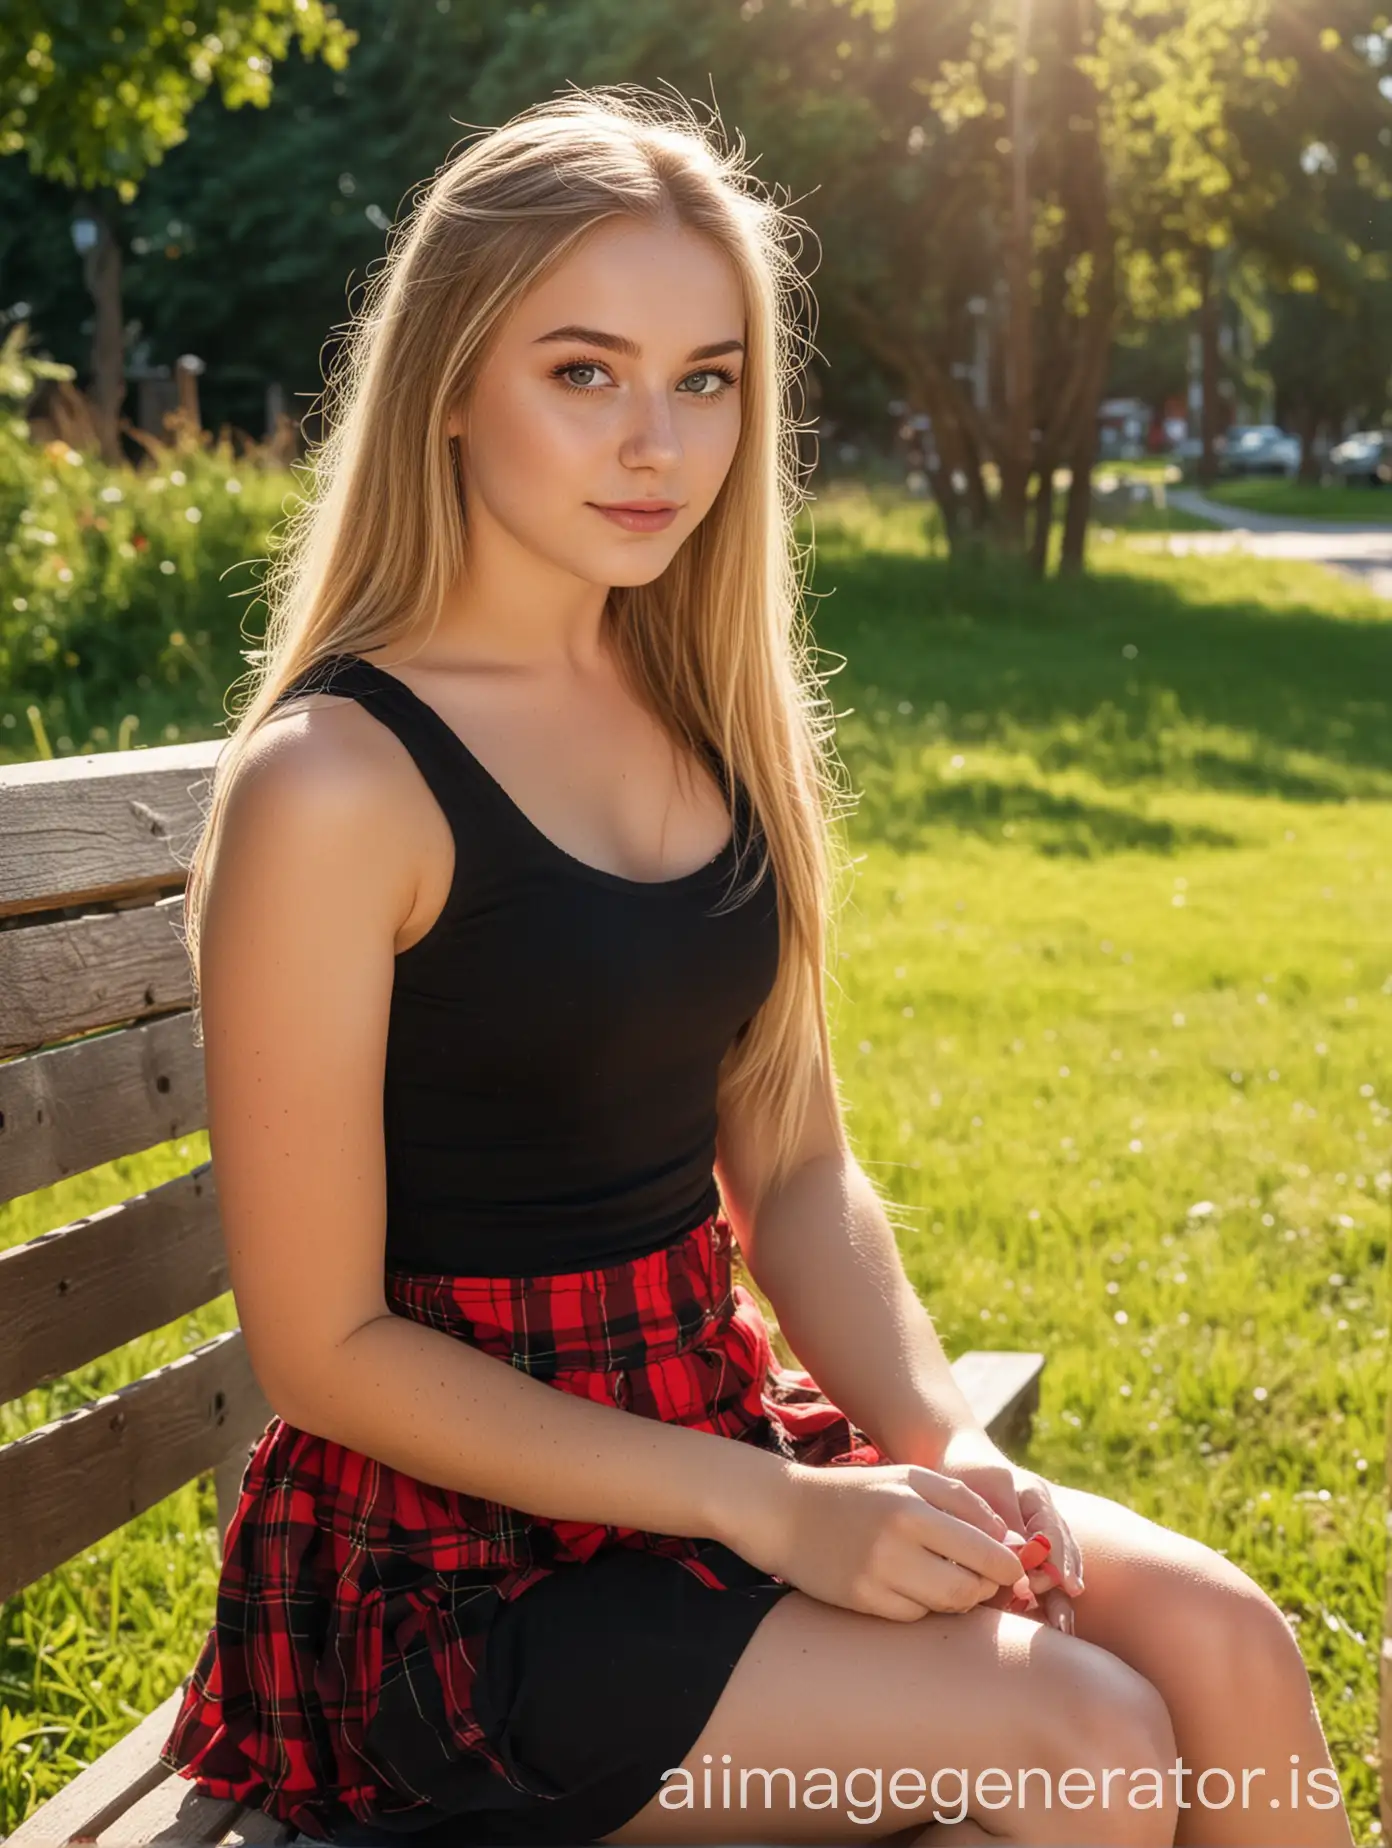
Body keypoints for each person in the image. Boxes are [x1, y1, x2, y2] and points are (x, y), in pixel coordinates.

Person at [158, 87, 1352, 1848]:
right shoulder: (340, 786)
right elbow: (324, 1349)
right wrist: (769, 1513)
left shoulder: (702, 716)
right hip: (453, 1580)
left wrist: (943, 1442)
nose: (658, 441)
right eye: (586, 372)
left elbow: (795, 1165)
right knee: (1085, 1746)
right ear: (451, 390)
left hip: (709, 1453)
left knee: (1236, 1658)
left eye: (706, 378)